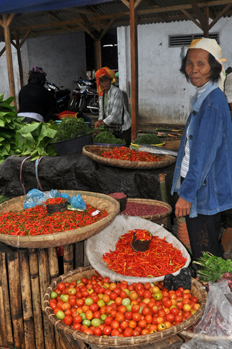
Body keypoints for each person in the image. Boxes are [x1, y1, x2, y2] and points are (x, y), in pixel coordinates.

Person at [171, 38, 232, 261]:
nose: (193, 70)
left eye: (201, 64)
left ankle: (217, 289)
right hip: (200, 184)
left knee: (205, 251)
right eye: (189, 64)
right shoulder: (204, 96)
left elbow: (203, 156)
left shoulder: (212, 103)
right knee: (204, 244)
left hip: (204, 188)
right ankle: (214, 286)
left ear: (213, 67)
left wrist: (186, 194)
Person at [94, 67, 131, 146]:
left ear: (110, 80)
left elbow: (116, 112)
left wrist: (103, 122)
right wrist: (100, 120)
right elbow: (101, 110)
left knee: (123, 149)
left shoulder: (116, 92)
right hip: (112, 127)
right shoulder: (101, 94)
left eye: (106, 80)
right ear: (99, 83)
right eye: (102, 81)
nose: (104, 83)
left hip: (123, 127)